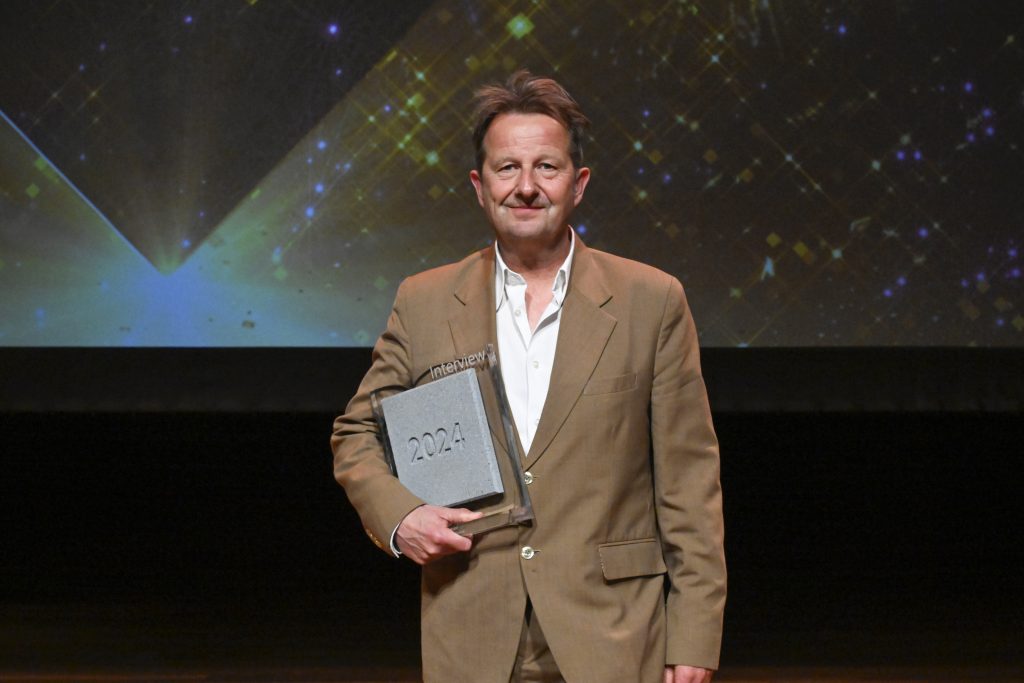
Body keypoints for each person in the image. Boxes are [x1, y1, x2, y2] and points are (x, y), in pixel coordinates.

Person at [331, 70, 725, 683]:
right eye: (507, 168)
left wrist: (694, 636)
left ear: (578, 183)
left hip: (615, 633)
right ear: (479, 186)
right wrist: (401, 518)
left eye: (547, 167)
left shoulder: (651, 300)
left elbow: (689, 484)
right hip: (472, 624)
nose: (526, 187)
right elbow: (357, 433)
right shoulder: (425, 300)